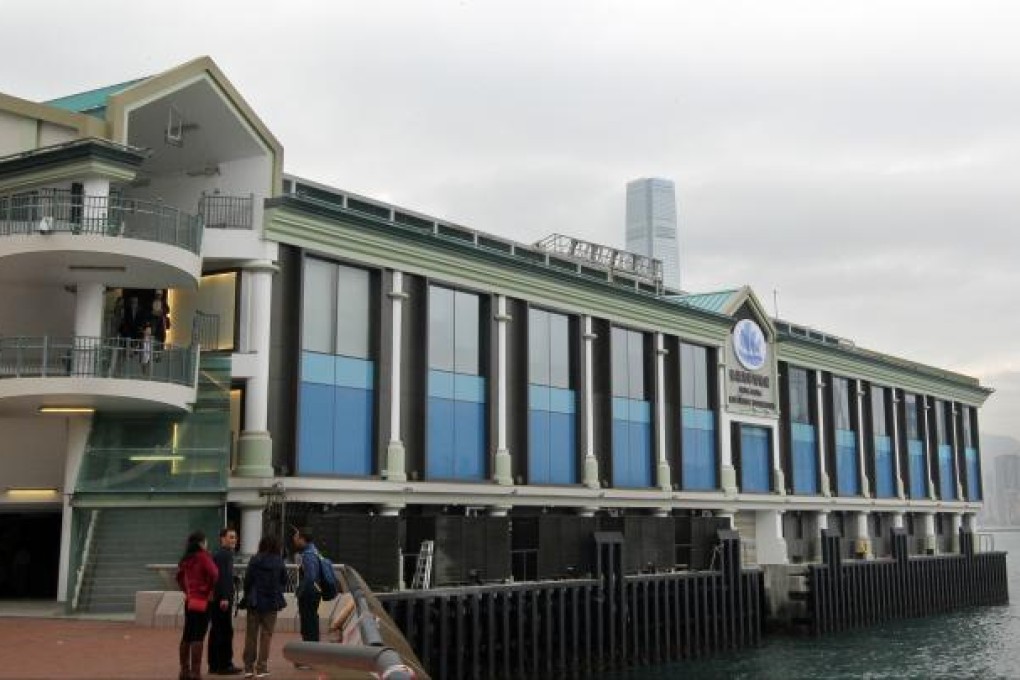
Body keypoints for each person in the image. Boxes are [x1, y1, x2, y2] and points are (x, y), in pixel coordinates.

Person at [241, 535, 287, 678]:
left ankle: (248, 668)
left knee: (251, 636)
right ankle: (262, 667)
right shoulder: (279, 561)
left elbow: (247, 580)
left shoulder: (255, 560)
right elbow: (284, 580)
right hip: (272, 603)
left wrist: (248, 595)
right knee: (266, 635)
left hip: (254, 602)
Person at [177, 530, 219, 680]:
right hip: (202, 601)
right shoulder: (203, 557)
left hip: (190, 600)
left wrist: (187, 591)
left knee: (187, 635)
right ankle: (195, 672)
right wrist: (207, 589)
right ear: (201, 543)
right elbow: (214, 573)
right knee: (198, 636)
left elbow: (179, 578)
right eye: (205, 541)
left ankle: (184, 671)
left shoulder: (185, 559)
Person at [208, 528, 242, 675]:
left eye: (235, 537)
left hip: (216, 598)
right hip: (222, 600)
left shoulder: (218, 554)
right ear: (222, 538)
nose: (234, 540)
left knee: (216, 631)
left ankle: (214, 664)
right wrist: (224, 597)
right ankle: (224, 664)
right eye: (231, 537)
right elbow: (223, 578)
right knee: (225, 631)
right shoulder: (225, 555)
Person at [292, 527, 321, 670]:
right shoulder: (313, 551)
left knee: (308, 626)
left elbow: (310, 577)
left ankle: (309, 659)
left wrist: (300, 591)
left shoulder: (308, 555)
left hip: (309, 595)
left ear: (303, 539)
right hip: (313, 594)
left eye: (296, 537)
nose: (294, 539)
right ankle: (311, 657)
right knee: (311, 625)